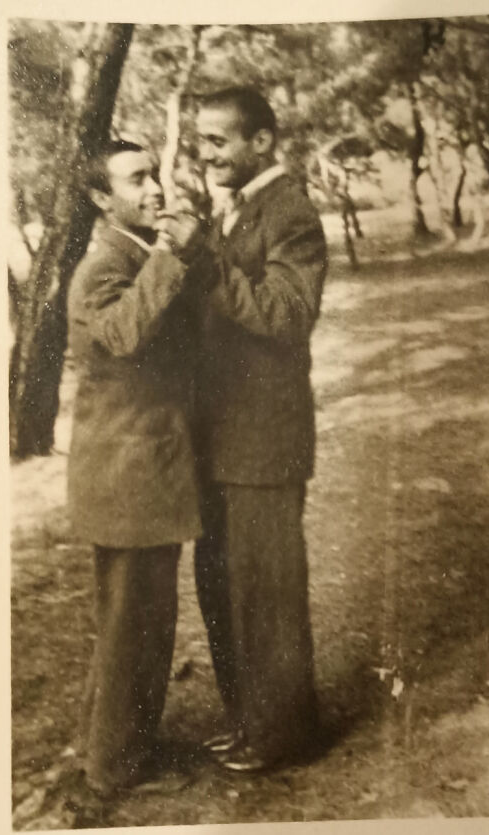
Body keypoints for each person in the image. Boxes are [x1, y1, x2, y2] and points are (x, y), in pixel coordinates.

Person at [189, 87, 328, 772]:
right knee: (224, 582)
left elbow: (287, 314)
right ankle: (248, 719)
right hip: (223, 437)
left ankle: (286, 733)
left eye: (218, 139)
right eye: (201, 140)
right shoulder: (236, 207)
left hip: (265, 438)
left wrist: (204, 263)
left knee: (265, 589)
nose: (205, 152)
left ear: (263, 141)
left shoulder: (289, 209)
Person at [66, 139, 203, 795]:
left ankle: (112, 746)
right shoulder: (103, 266)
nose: (155, 188)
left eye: (156, 174)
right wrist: (173, 252)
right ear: (102, 197)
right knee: (133, 624)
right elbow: (124, 333)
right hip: (128, 477)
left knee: (135, 620)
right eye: (136, 179)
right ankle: (115, 769)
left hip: (144, 470)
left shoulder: (135, 253)